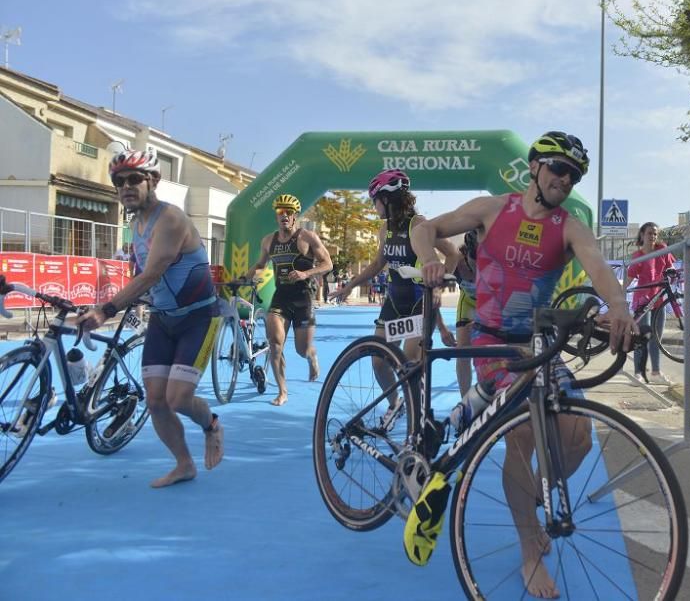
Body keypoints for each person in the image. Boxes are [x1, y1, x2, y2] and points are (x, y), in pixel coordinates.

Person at [411, 131, 638, 598]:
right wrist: (427, 258)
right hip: (492, 345)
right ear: (535, 167)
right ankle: (529, 554)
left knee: (577, 438)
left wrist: (618, 306)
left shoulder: (570, 225)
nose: (566, 179)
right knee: (521, 437)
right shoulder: (494, 209)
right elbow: (424, 227)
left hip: (538, 346)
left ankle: (529, 502)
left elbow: (597, 265)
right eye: (558, 168)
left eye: (574, 174)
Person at [77, 147, 224, 488]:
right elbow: (140, 276)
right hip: (163, 319)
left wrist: (107, 310)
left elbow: (153, 273)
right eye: (118, 182)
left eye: (133, 179)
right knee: (156, 401)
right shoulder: (135, 224)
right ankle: (184, 464)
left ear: (153, 180)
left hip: (199, 318)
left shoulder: (170, 218)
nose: (125, 187)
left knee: (178, 398)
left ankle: (211, 425)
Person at [331, 170, 457, 397]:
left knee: (410, 363)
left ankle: (416, 415)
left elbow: (452, 254)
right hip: (394, 301)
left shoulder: (418, 225)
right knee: (379, 362)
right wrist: (350, 285)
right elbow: (378, 263)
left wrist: (437, 283)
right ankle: (395, 405)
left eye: (375, 201)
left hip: (418, 301)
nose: (373, 207)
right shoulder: (385, 228)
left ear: (387, 199)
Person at [244, 194, 333, 406]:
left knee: (302, 349)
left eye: (288, 212)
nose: (284, 216)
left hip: (304, 297)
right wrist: (243, 279)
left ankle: (311, 356)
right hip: (281, 297)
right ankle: (282, 391)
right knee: (275, 345)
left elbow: (327, 263)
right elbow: (260, 265)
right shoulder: (268, 240)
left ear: (295, 216)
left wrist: (305, 273)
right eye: (280, 212)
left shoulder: (308, 237)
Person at [626, 222, 674, 379]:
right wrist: (619, 293)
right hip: (643, 300)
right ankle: (638, 373)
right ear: (642, 235)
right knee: (642, 338)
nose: (653, 236)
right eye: (649, 233)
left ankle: (656, 371)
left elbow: (670, 268)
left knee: (656, 338)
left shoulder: (662, 250)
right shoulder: (638, 256)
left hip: (659, 299)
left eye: (655, 233)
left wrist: (674, 274)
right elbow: (630, 278)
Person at [452, 230, 479, 396]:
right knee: (462, 352)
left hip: (490, 304)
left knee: (490, 351)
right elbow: (433, 292)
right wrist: (440, 327)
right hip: (468, 302)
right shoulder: (457, 261)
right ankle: (465, 399)